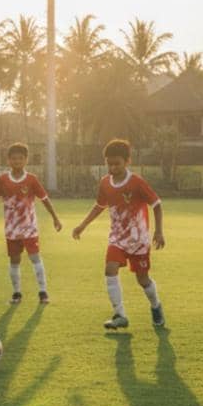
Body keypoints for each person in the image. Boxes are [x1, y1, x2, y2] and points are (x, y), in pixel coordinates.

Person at [72, 139, 166, 330]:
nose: (113, 167)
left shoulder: (137, 182)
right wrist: (82, 225)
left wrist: (158, 231)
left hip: (139, 240)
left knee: (143, 280)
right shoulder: (105, 183)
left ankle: (156, 306)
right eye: (109, 163)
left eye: (117, 163)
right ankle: (120, 314)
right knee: (110, 268)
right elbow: (99, 206)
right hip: (117, 238)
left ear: (127, 162)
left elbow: (156, 204)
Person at [0, 143, 63, 304]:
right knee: (14, 260)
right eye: (13, 158)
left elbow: (45, 199)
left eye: (20, 158)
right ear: (8, 160)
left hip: (29, 228)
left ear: (26, 160)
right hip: (11, 229)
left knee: (35, 258)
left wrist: (55, 218)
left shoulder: (31, 179)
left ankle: (43, 292)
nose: (17, 161)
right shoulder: (3, 179)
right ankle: (17, 293)